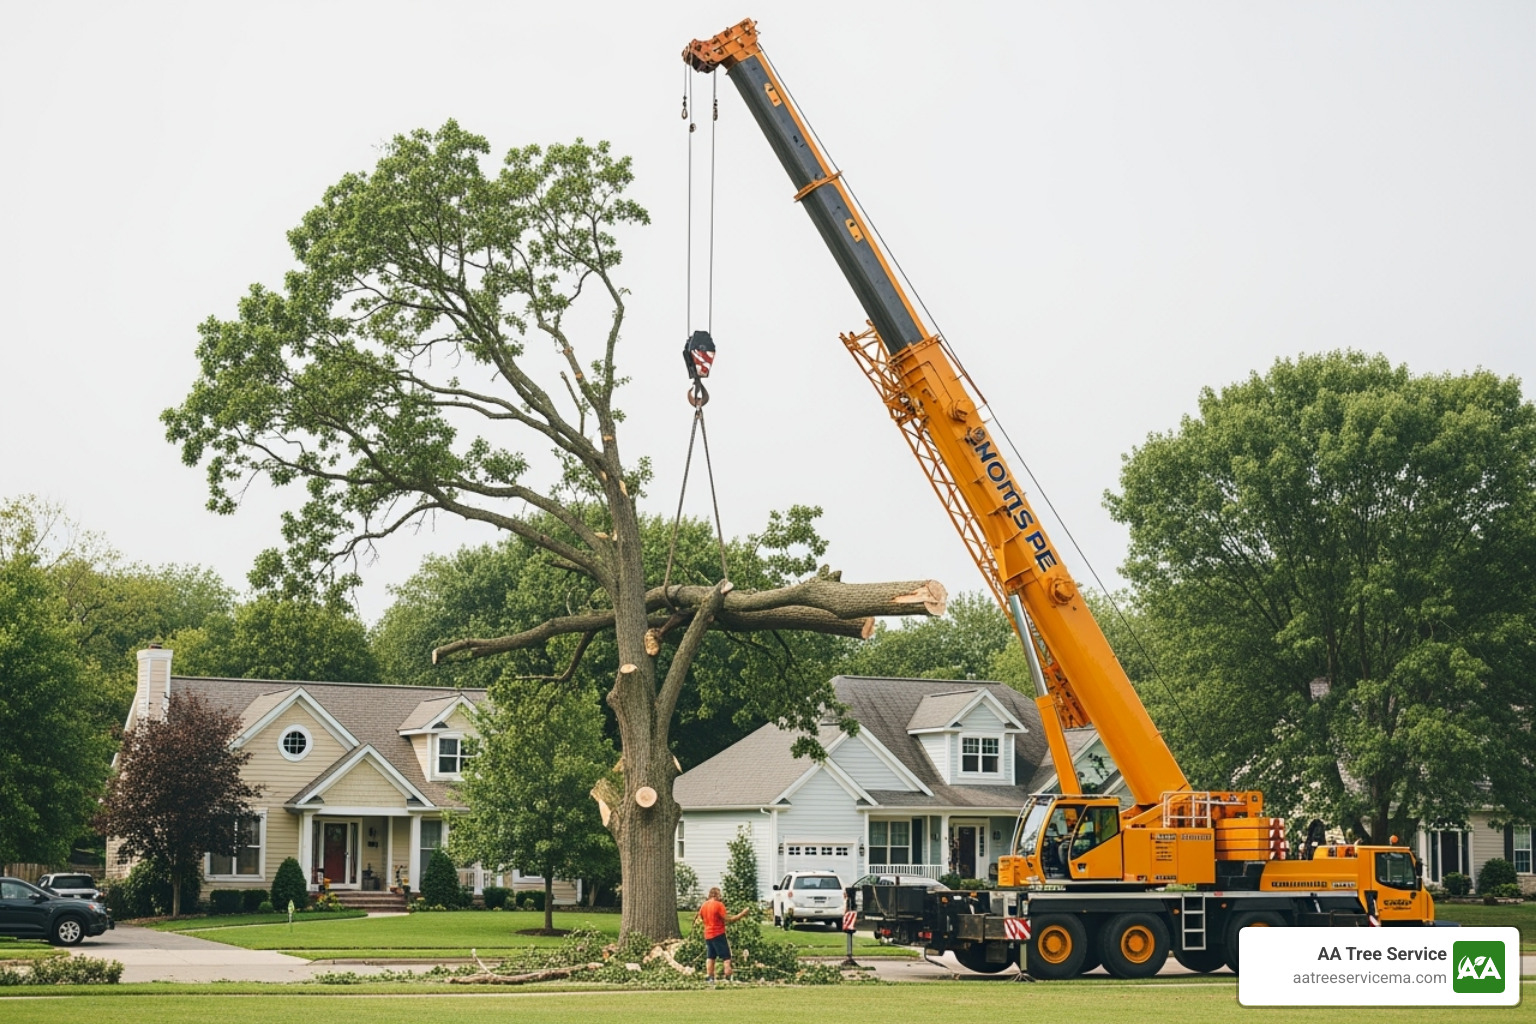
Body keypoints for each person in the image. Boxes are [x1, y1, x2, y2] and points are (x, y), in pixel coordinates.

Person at [693, 886, 752, 985]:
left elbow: (701, 918)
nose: (721, 896)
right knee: (726, 957)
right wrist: (742, 914)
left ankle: (710, 978)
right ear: (716, 894)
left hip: (708, 934)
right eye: (720, 894)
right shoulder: (719, 905)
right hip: (718, 934)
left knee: (711, 956)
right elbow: (728, 919)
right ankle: (728, 977)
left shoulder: (704, 905)